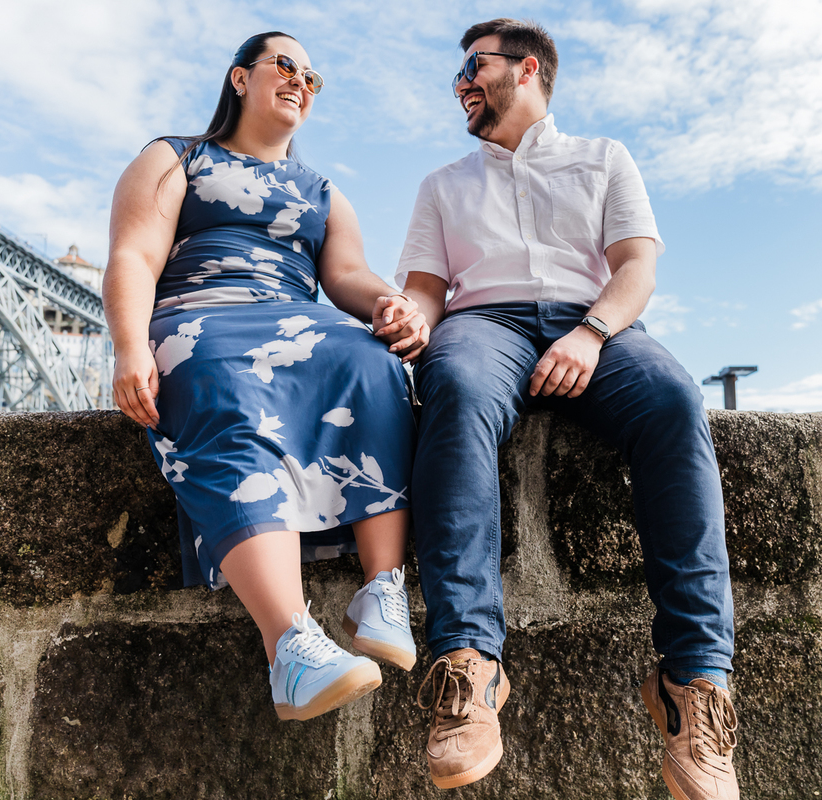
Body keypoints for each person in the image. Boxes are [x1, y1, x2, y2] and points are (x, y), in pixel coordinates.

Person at [398, 18, 740, 798]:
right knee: (450, 388)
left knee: (675, 402)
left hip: (600, 322)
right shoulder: (442, 186)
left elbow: (637, 268)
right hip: (485, 323)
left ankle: (696, 692)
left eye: (473, 68)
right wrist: (411, 319)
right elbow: (424, 290)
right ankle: (469, 669)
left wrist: (589, 335)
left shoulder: (605, 159)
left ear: (526, 72)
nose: (460, 84)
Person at [103, 31, 430, 722]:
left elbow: (344, 276)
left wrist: (389, 304)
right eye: (286, 65)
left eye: (313, 77)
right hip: (202, 318)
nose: (301, 82)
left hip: (297, 317)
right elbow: (134, 254)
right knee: (226, 382)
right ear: (239, 79)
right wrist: (130, 345)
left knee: (376, 362)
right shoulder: (175, 158)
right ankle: (290, 647)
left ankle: (382, 588)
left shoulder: (322, 191)